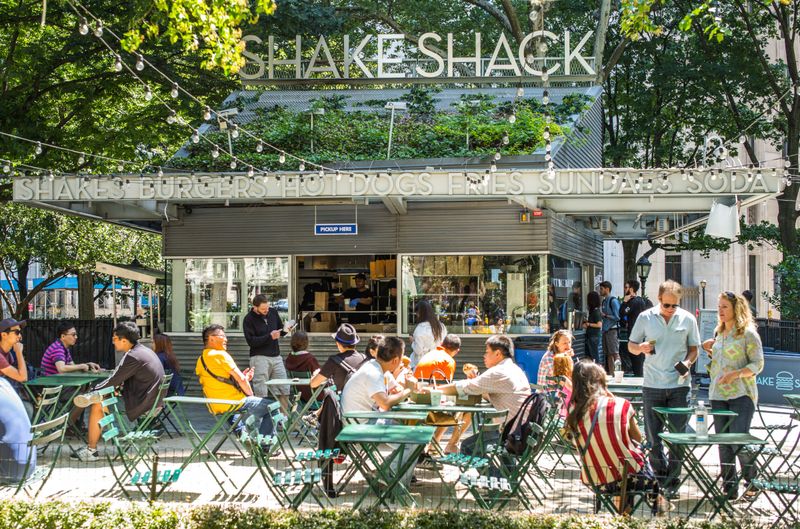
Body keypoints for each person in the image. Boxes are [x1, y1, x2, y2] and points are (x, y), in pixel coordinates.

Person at [565, 361, 670, 515]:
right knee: (632, 461)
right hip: (628, 475)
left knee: (623, 468)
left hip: (595, 478)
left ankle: (625, 514)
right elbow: (638, 438)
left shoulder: (573, 410)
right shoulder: (621, 404)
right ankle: (656, 499)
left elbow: (575, 443)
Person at [628, 280, 700, 494]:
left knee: (678, 437)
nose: (669, 309)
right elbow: (631, 346)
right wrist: (640, 348)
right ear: (659, 300)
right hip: (652, 384)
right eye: (666, 305)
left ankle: (672, 481)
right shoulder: (645, 317)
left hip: (679, 386)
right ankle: (661, 479)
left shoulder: (688, 319)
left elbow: (694, 349)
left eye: (674, 305)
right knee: (653, 438)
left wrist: (687, 363)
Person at [72, 322, 165, 462]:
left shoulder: (133, 356)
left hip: (143, 405)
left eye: (115, 339)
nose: (113, 342)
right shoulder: (145, 351)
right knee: (103, 398)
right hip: (154, 403)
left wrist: (92, 391)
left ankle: (91, 450)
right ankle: (89, 445)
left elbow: (114, 379)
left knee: (98, 404)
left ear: (124, 340)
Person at [702, 291, 764, 499]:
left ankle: (753, 481)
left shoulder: (748, 334)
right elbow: (720, 362)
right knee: (724, 442)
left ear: (736, 308)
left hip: (741, 394)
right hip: (718, 394)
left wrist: (735, 374)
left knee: (738, 440)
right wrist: (709, 350)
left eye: (724, 307)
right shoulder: (719, 333)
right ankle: (729, 488)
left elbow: (758, 364)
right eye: (719, 306)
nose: (720, 310)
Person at [438, 335, 531, 457]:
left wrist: (436, 389)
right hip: (524, 431)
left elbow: (466, 386)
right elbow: (492, 393)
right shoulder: (514, 369)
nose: (484, 356)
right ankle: (505, 473)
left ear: (497, 354)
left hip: (511, 434)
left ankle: (495, 476)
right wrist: (478, 385)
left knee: (468, 446)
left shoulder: (499, 371)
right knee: (478, 440)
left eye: (487, 352)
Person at [195, 324, 276, 438]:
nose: (226, 339)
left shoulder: (201, 359)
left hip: (215, 404)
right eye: (222, 336)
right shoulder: (221, 355)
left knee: (234, 414)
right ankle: (265, 444)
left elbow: (217, 381)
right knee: (273, 406)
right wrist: (251, 395)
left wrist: (244, 379)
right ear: (211, 338)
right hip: (233, 403)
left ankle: (243, 434)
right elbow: (241, 380)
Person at [243, 293, 290, 413]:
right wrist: (269, 336)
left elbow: (279, 331)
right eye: (263, 309)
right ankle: (262, 420)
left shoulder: (273, 312)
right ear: (255, 307)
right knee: (261, 390)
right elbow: (251, 342)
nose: (266, 311)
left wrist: (285, 330)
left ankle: (283, 420)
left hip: (276, 356)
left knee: (283, 388)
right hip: (259, 357)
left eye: (267, 308)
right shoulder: (248, 319)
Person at [309, 324, 367, 392]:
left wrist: (315, 375)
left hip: (343, 402)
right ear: (355, 343)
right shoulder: (365, 359)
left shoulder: (333, 361)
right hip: (363, 401)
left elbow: (313, 384)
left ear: (338, 343)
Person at [284, 331, 322, 403]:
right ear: (306, 343)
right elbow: (319, 376)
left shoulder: (289, 358)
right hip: (316, 395)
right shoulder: (310, 359)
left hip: (301, 396)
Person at [409, 300, 447, 370]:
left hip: (422, 364)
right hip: (437, 362)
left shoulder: (420, 328)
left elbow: (418, 350)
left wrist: (412, 342)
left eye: (417, 313)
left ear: (420, 313)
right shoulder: (441, 326)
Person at [620, 280, 647, 377]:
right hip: (639, 332)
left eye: (626, 287)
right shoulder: (641, 301)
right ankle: (639, 375)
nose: (625, 289)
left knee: (636, 357)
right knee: (637, 358)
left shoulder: (633, 302)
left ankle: (639, 377)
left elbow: (623, 313)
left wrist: (624, 302)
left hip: (634, 333)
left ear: (631, 289)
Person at [599, 281, 621, 375]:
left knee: (615, 353)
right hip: (605, 330)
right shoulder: (604, 301)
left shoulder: (613, 301)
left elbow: (617, 317)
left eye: (601, 289)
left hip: (612, 330)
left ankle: (619, 373)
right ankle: (612, 374)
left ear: (607, 289)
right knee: (608, 354)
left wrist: (605, 315)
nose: (600, 291)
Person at [583, 291, 603, 366]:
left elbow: (599, 324)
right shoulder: (594, 311)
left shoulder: (596, 311)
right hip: (592, 336)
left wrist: (589, 324)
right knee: (592, 355)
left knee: (594, 356)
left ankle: (597, 370)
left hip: (593, 337)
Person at [552, 353, 573, 418]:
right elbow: (573, 389)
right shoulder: (564, 378)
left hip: (564, 404)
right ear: (567, 365)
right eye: (571, 362)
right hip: (569, 404)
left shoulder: (558, 377)